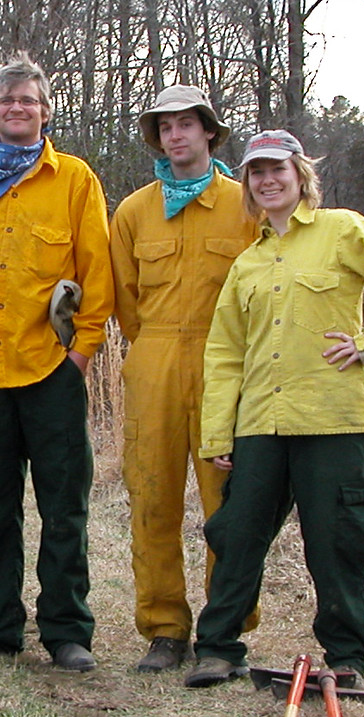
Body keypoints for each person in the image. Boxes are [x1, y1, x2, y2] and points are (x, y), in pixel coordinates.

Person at [185, 130, 364, 688]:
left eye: (278, 169)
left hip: (334, 420)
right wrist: (219, 432)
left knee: (338, 540)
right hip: (259, 426)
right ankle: (219, 649)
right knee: (236, 534)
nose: (268, 180)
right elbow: (224, 353)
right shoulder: (247, 263)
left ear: (300, 176)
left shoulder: (342, 229)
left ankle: (345, 659)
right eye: (256, 172)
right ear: (247, 185)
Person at [0, 52, 113, 671]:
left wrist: (81, 356)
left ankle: (67, 631)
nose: (16, 109)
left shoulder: (75, 180)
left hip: (51, 370)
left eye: (28, 100)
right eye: (6, 100)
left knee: (64, 506)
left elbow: (97, 272)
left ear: (44, 111)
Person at [109, 85, 259, 672]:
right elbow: (125, 299)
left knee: (231, 504)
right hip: (154, 362)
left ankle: (225, 632)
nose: (175, 136)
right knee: (153, 498)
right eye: (165, 128)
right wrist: (154, 350)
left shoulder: (243, 205)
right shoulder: (134, 211)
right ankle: (165, 629)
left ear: (210, 133)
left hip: (229, 367)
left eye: (186, 125)